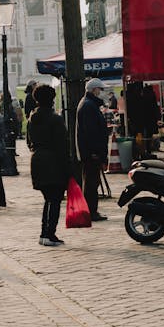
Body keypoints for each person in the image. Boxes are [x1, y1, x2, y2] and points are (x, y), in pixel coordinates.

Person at [27, 84, 70, 246]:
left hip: (37, 160)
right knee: (55, 199)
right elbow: (62, 145)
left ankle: (44, 233)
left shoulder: (33, 118)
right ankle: (49, 233)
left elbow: (29, 142)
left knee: (48, 199)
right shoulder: (55, 119)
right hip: (54, 161)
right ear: (52, 99)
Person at [76, 77, 109, 221]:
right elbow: (92, 133)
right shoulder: (89, 106)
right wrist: (96, 152)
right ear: (94, 90)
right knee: (91, 183)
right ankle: (90, 211)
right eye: (100, 89)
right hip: (91, 153)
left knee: (91, 182)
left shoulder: (89, 104)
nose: (102, 92)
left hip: (90, 152)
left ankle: (91, 210)